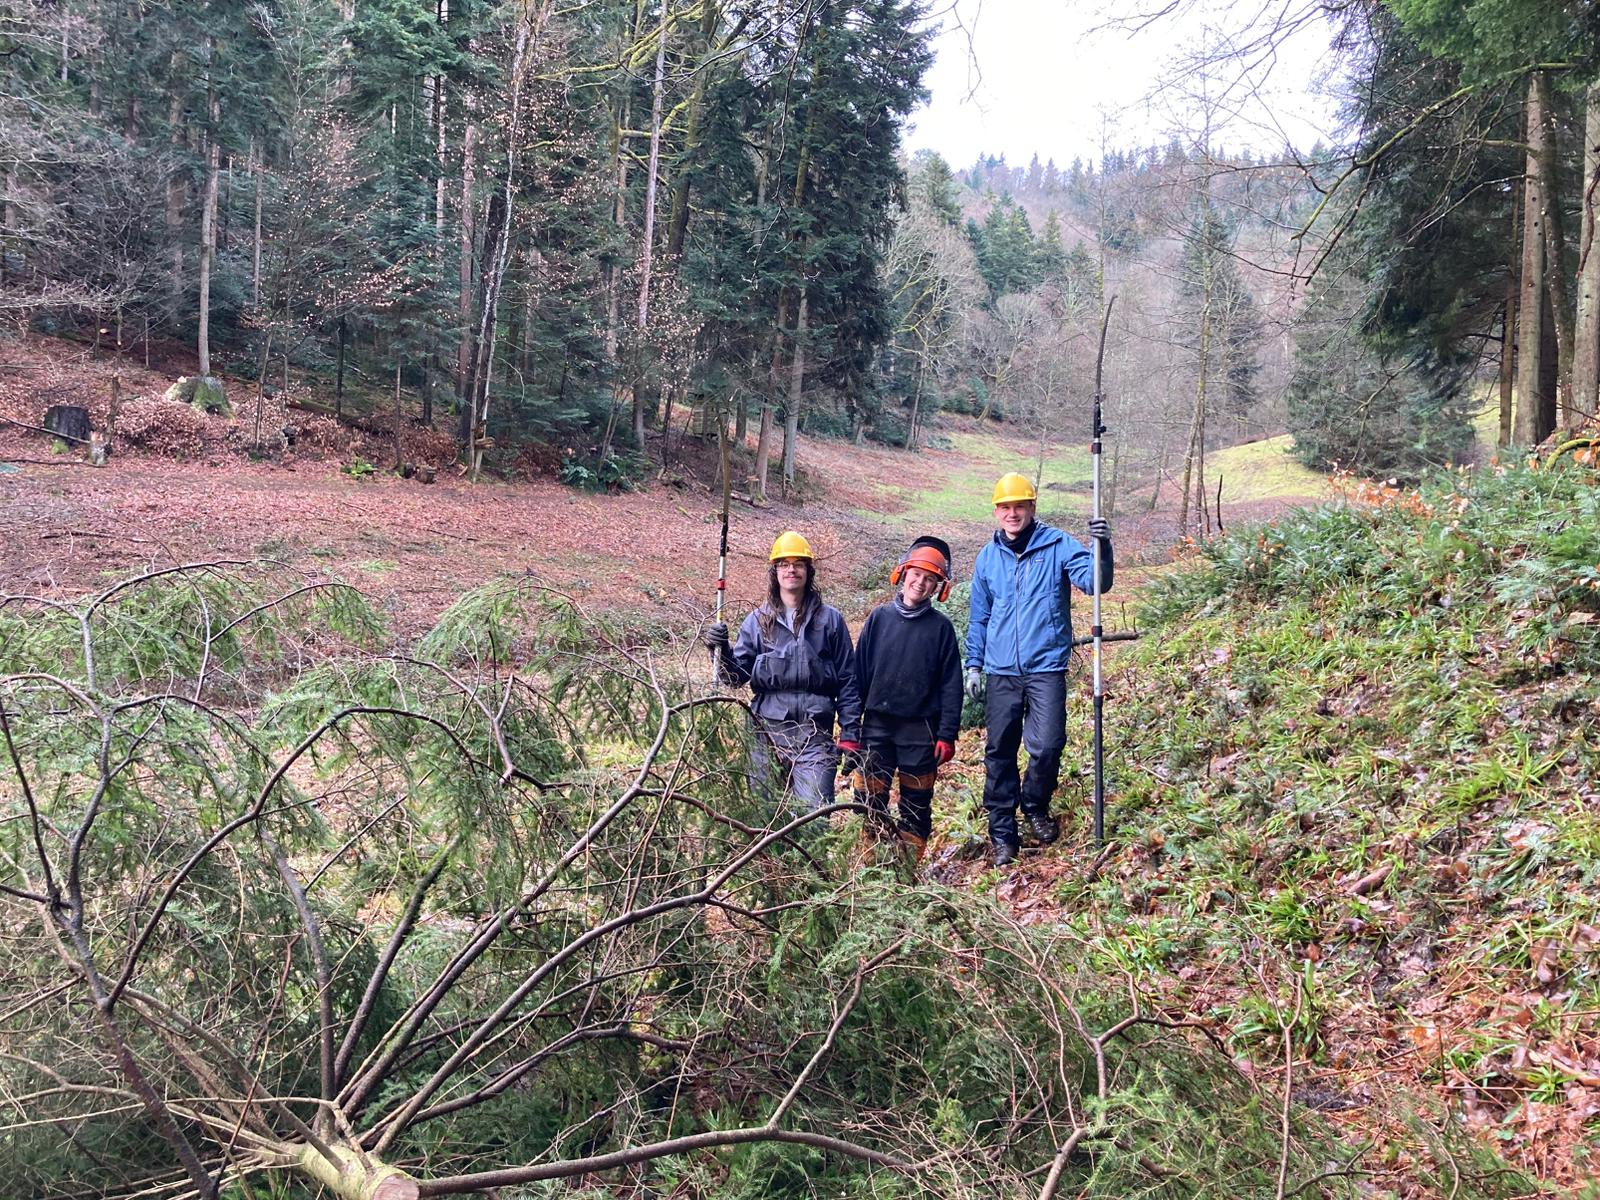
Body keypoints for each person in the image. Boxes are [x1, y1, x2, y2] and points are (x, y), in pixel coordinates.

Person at [966, 473, 1112, 867]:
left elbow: (1095, 583)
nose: (1012, 514)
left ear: (1032, 508)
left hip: (1045, 665)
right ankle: (1002, 832)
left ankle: (1034, 804)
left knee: (1047, 745)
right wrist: (974, 665)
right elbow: (979, 617)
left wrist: (1103, 547)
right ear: (996, 512)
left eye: (1019, 506)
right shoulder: (987, 558)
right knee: (999, 751)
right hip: (1000, 670)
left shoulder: (1059, 545)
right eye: (1005, 507)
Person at [704, 530, 863, 821]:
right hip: (765, 735)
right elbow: (735, 676)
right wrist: (720, 649)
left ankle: (808, 869)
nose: (791, 570)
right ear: (774, 571)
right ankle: (771, 869)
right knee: (765, 819)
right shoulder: (757, 622)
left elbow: (848, 681)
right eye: (784, 564)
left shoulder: (831, 621)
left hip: (815, 737)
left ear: (808, 570)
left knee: (813, 820)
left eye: (798, 563)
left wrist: (851, 734)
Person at [850, 536, 963, 863]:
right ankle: (870, 865)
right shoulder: (878, 618)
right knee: (867, 798)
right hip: (876, 726)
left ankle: (907, 869)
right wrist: (849, 728)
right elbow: (859, 676)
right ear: (903, 573)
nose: (921, 582)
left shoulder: (941, 629)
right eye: (917, 574)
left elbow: (951, 685)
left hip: (920, 730)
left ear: (938, 588)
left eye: (930, 579)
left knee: (916, 804)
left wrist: (947, 733)